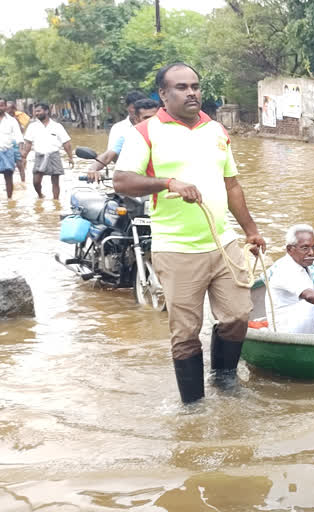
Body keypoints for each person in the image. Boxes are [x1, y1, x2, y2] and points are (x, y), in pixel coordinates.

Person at [112, 62, 265, 403]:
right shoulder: (145, 132)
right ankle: (193, 406)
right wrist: (169, 182)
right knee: (185, 333)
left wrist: (251, 230)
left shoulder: (216, 130)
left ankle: (224, 379)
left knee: (239, 315)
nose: (191, 92)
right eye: (181, 87)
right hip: (177, 248)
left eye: (195, 85)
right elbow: (121, 180)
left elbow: (232, 185)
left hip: (223, 243)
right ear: (163, 94)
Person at [86, 98, 160, 183]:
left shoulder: (171, 133)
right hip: (139, 185)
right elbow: (108, 156)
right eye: (146, 118)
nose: (151, 121)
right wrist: (92, 169)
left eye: (154, 117)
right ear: (136, 119)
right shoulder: (129, 137)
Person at [20, 103, 73, 200]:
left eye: (39, 111)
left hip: (54, 155)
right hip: (39, 156)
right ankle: (40, 195)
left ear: (46, 111)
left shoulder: (57, 126)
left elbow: (66, 143)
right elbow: (28, 144)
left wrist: (70, 157)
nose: (37, 113)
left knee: (55, 181)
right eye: (35, 111)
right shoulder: (32, 126)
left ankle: (56, 201)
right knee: (36, 181)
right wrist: (24, 157)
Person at [0, 98, 24, 198]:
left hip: (7, 152)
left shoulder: (12, 120)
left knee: (8, 177)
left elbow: (19, 137)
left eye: (1, 105)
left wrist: (21, 152)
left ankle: (10, 200)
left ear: (5, 106)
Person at [107, 90, 146, 155]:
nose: (137, 111)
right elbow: (111, 154)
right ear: (126, 107)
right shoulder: (118, 128)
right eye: (134, 108)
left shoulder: (153, 125)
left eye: (140, 108)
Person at [6, 101, 30, 182]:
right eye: (6, 108)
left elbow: (22, 131)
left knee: (20, 164)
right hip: (7, 143)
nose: (7, 110)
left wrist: (17, 122)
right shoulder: (4, 118)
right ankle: (10, 182)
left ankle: (23, 181)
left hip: (17, 143)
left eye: (9, 108)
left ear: (13, 109)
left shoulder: (18, 118)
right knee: (8, 166)